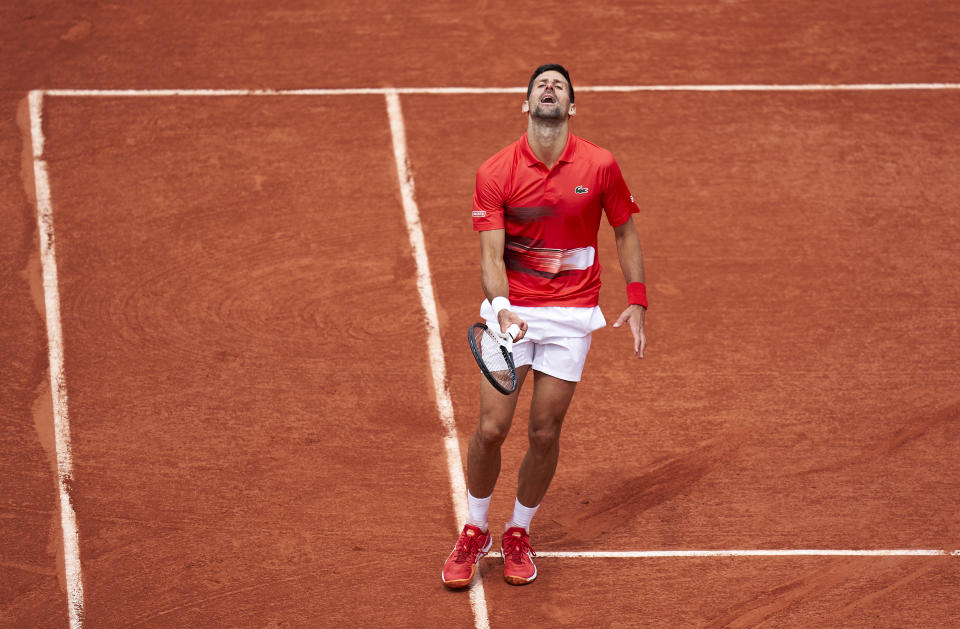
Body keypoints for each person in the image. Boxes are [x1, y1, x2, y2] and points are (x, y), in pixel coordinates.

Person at [441, 64, 648, 588]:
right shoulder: (495, 171)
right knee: (490, 429)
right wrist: (501, 304)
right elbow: (490, 258)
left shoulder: (600, 165)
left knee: (543, 431)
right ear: (526, 104)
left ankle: (518, 532)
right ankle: (476, 528)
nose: (549, 89)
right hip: (513, 311)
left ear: (571, 106)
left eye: (559, 85)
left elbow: (624, 229)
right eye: (540, 85)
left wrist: (638, 299)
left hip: (572, 314)